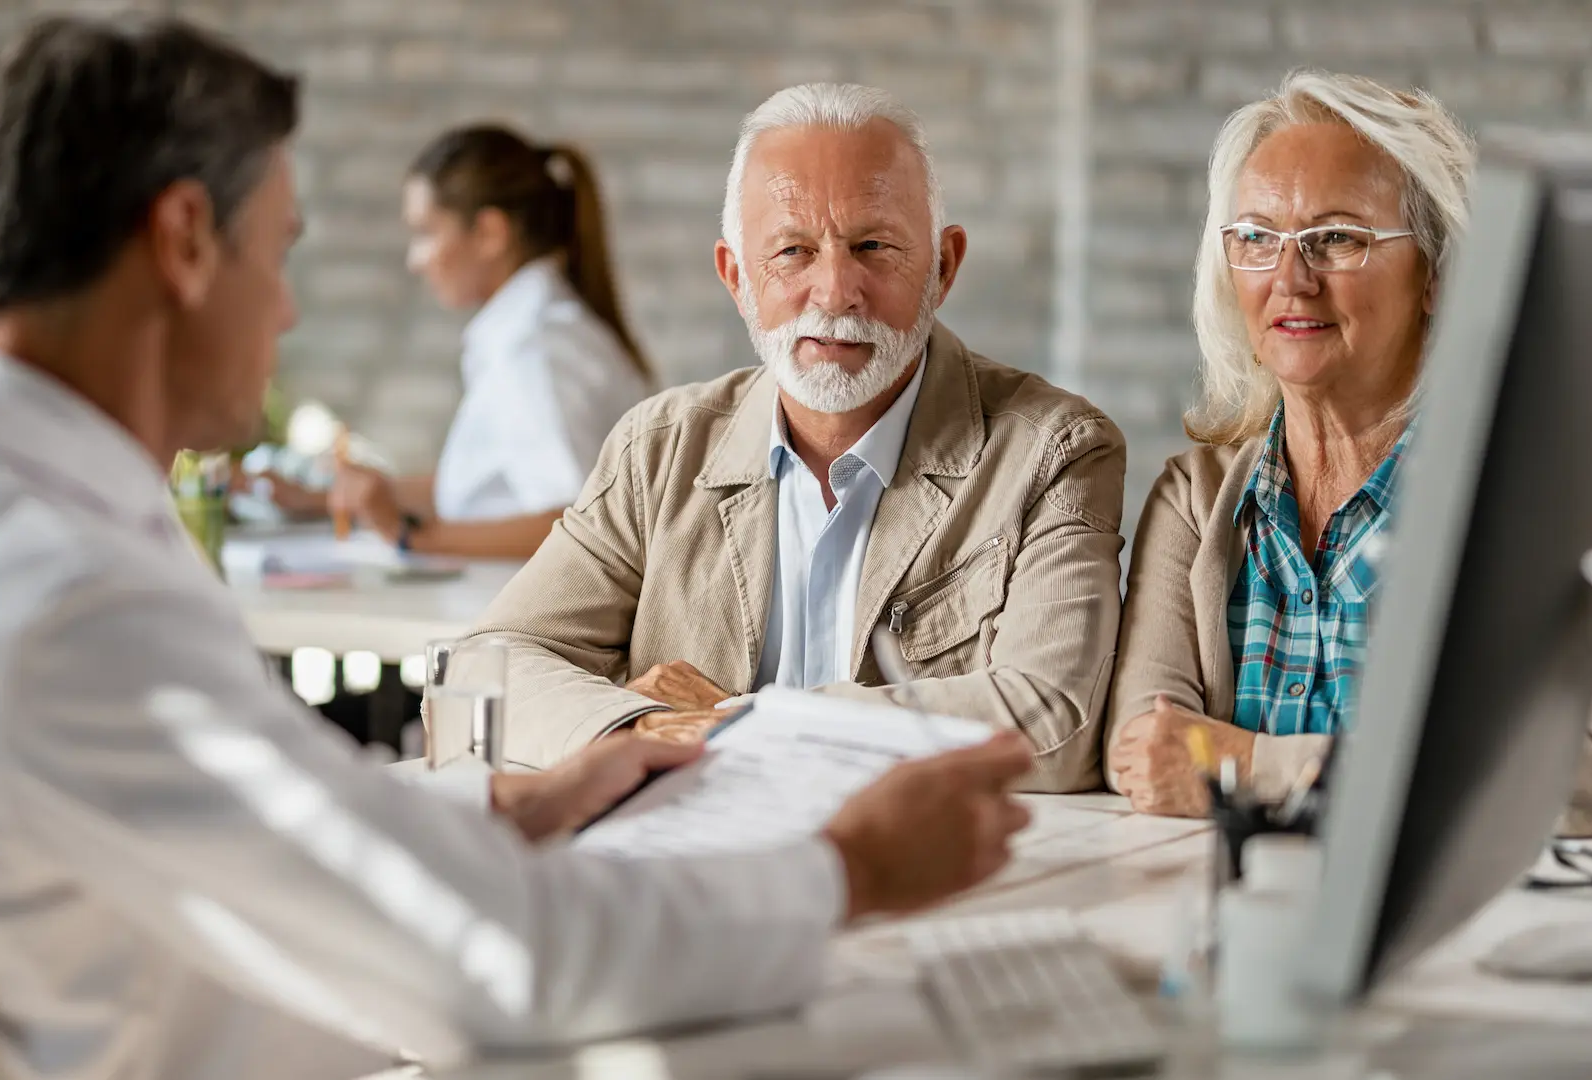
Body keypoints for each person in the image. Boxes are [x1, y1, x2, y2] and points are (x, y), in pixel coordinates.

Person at [0, 19, 1038, 1080]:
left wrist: (507, 803)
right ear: (181, 241)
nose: (285, 308)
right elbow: (511, 960)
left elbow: (244, 812)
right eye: (281, 252)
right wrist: (846, 871)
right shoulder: (65, 598)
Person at [462, 84, 1129, 792]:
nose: (836, 289)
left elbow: (1055, 723)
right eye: (792, 251)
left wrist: (746, 723)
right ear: (736, 276)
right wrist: (645, 726)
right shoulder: (657, 449)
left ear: (943, 266)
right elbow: (486, 667)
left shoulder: (1055, 451)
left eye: (874, 245)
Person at [1104, 70, 1592, 836]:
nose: (1289, 278)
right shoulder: (1195, 498)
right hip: (1235, 921)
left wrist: (1252, 767)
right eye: (1257, 238)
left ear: (1439, 276)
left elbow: (1584, 782)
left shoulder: (1517, 497)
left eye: (1337, 238)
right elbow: (1144, 755)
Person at [264, 125, 652, 559]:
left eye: (426, 233)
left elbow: (575, 520)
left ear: (489, 233)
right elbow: (482, 490)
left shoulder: (533, 349)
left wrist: (414, 535)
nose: (415, 261)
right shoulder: (530, 330)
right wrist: (318, 498)